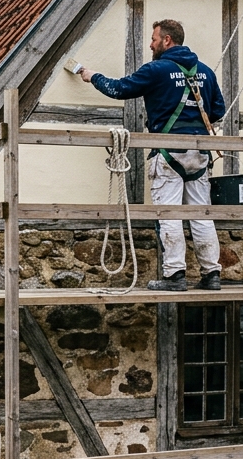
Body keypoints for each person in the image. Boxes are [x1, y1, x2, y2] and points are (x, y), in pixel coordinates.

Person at [77, 18, 227, 292]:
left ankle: (175, 276)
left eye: (154, 39)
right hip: (199, 154)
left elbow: (120, 89)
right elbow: (217, 110)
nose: (150, 44)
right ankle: (212, 275)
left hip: (167, 153)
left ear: (167, 40)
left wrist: (93, 76)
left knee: (168, 214)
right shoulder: (205, 71)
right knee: (201, 214)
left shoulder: (157, 70)